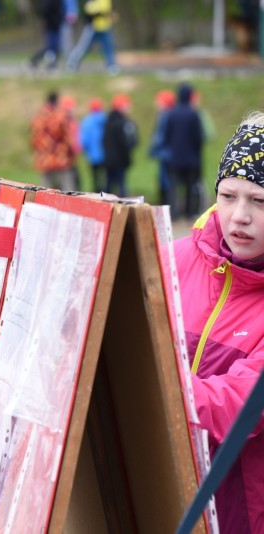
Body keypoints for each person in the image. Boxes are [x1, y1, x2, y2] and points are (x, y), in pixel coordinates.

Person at [174, 112, 264, 533]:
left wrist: (143, 383)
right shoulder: (168, 261)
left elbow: (239, 406)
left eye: (260, 201)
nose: (239, 216)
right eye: (228, 196)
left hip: (239, 515)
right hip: (162, 494)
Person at [164, 83, 204, 220]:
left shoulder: (172, 114)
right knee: (190, 186)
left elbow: (167, 135)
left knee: (173, 187)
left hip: (175, 157)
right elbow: (198, 137)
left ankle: (173, 213)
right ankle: (189, 212)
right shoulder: (193, 114)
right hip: (191, 158)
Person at [30, 90, 76, 192]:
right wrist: (71, 154)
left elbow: (33, 140)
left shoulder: (37, 117)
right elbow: (67, 137)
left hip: (44, 160)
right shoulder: (60, 116)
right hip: (60, 160)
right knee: (67, 192)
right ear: (57, 101)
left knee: (45, 194)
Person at [65, 0, 118, 75]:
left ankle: (111, 66)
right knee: (83, 47)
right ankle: (72, 63)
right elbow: (90, 12)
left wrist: (109, 15)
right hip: (92, 28)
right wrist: (104, 14)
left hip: (105, 27)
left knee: (108, 48)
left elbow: (106, 10)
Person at [101, 93, 137, 197]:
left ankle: (104, 207)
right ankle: (123, 208)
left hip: (109, 159)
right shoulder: (122, 122)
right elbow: (125, 143)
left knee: (108, 185)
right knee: (121, 185)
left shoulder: (108, 120)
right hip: (120, 160)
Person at [149, 89, 176, 213]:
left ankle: (167, 208)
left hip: (165, 154)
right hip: (172, 154)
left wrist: (152, 150)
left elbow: (159, 136)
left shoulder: (164, 116)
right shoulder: (172, 114)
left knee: (165, 181)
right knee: (169, 181)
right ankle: (170, 208)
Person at [79, 97, 106, 192]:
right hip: (105, 155)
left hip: (92, 155)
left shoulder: (87, 121)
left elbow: (84, 140)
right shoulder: (105, 119)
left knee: (95, 179)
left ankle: (97, 196)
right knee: (105, 178)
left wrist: (85, 150)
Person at [28, 0, 64, 71]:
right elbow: (44, 11)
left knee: (54, 46)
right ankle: (38, 60)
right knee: (51, 46)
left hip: (56, 24)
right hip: (51, 25)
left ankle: (51, 62)